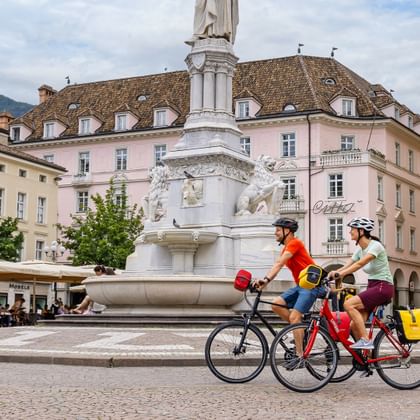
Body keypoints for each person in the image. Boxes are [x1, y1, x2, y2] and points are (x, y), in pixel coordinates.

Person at [254, 218, 324, 356]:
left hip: (312, 286)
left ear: (288, 231)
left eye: (278, 230)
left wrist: (266, 279)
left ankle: (300, 355)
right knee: (276, 304)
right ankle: (301, 328)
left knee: (294, 317)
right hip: (301, 286)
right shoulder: (286, 248)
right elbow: (278, 266)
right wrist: (264, 283)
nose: (276, 233)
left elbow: (279, 264)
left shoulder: (295, 243)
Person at [329, 217, 394, 350]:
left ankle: (365, 340)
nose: (350, 232)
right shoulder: (360, 250)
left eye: (352, 229)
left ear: (361, 231)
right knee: (353, 325)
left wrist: (341, 274)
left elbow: (360, 264)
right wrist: (335, 272)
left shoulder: (375, 246)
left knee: (348, 304)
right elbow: (348, 264)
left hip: (383, 286)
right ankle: (367, 358)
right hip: (373, 286)